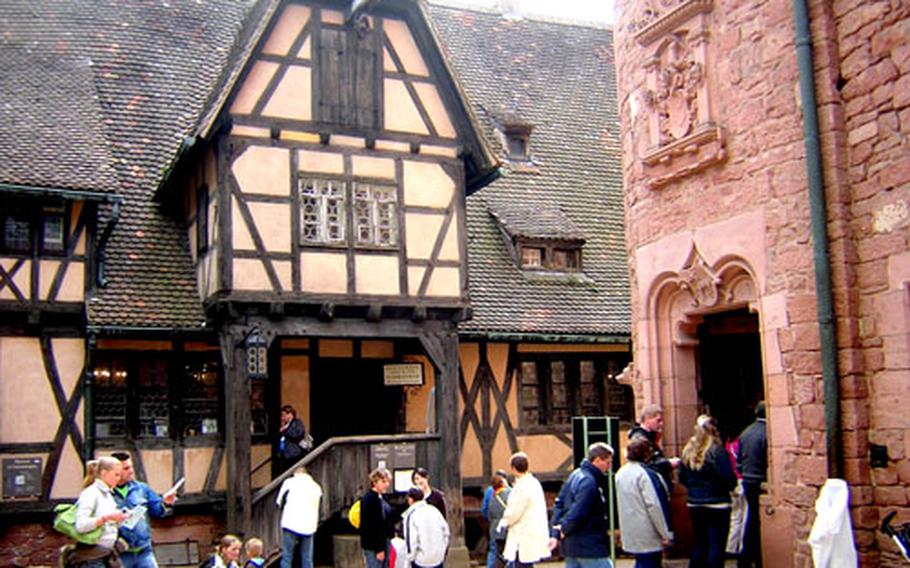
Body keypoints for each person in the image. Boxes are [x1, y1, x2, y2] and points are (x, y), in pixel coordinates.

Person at [679, 415, 738, 568]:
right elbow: (728, 477)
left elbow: (682, 478)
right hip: (717, 503)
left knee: (700, 543)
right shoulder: (717, 452)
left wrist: (694, 490)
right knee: (716, 545)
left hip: (695, 503)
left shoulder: (687, 452)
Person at [549, 442, 614, 568]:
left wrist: (556, 530)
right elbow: (579, 511)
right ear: (597, 460)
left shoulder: (575, 475)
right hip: (589, 545)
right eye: (608, 462)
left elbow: (559, 504)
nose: (609, 467)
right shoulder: (589, 482)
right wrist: (564, 529)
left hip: (571, 546)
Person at [110, 452, 177, 568]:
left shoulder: (141, 489)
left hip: (144, 551)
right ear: (115, 471)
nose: (131, 471)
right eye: (126, 468)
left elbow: (158, 511)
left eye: (131, 467)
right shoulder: (106, 493)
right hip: (120, 554)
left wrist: (166, 503)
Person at [616, 435, 673, 568]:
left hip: (630, 528)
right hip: (648, 531)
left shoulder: (621, 473)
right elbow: (655, 505)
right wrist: (665, 533)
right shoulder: (646, 475)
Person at [66, 457, 129, 568]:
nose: (119, 479)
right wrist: (106, 518)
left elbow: (111, 524)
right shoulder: (90, 493)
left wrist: (121, 518)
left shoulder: (109, 495)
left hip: (107, 555)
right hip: (91, 558)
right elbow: (81, 525)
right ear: (104, 473)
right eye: (116, 475)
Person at [497, 452, 551, 567]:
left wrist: (504, 522)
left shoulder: (522, 486)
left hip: (523, 534)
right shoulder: (534, 483)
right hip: (532, 531)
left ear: (513, 468)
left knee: (522, 562)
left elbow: (515, 511)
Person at [736, 402, 767, 568]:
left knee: (752, 519)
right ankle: (753, 558)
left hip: (748, 480)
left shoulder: (746, 432)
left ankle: (746, 557)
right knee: (756, 520)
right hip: (760, 481)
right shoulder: (767, 433)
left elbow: (739, 460)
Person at [276, 466, 322, 568]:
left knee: (287, 556)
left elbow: (280, 502)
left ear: (295, 473)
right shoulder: (316, 486)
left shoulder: (289, 483)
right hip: (309, 525)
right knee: (307, 557)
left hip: (290, 522)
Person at [629, 404, 679, 493]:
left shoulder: (649, 437)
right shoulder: (641, 439)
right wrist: (668, 464)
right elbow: (648, 464)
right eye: (658, 420)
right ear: (647, 420)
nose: (661, 424)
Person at [402, 486, 450, 568]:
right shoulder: (434, 510)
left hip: (421, 560)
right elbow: (446, 532)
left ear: (410, 499)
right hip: (438, 557)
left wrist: (410, 558)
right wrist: (442, 550)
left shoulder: (410, 515)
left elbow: (411, 540)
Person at [360, 468, 395, 568]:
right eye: (383, 481)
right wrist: (379, 549)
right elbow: (372, 526)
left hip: (384, 541)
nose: (386, 484)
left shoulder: (382, 497)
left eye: (388, 481)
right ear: (374, 482)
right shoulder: (370, 499)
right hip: (374, 546)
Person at [482, 470, 511, 568]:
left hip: (494, 527)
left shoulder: (490, 494)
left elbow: (485, 510)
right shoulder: (509, 492)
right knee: (509, 551)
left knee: (494, 550)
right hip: (507, 526)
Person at [278, 405, 308, 472]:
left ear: (290, 414)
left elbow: (297, 435)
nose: (282, 418)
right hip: (285, 455)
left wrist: (286, 430)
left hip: (294, 454)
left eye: (284, 415)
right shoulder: (285, 425)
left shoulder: (297, 423)